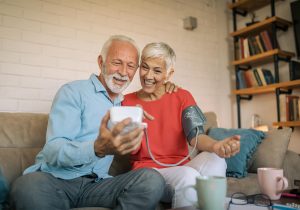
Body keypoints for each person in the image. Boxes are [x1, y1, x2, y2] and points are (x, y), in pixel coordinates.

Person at [9, 35, 167, 210]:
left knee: (151, 179)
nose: (123, 72)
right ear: (101, 62)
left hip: (97, 186)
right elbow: (53, 150)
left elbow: (153, 90)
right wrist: (97, 148)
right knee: (27, 187)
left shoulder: (125, 105)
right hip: (56, 180)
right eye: (117, 62)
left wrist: (165, 87)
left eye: (130, 66)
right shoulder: (73, 92)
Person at [122, 42, 241, 208]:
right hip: (148, 173)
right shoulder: (125, 102)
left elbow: (195, 137)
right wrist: (133, 120)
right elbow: (127, 147)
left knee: (216, 159)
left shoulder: (182, 96)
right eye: (144, 67)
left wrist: (216, 145)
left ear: (169, 74)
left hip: (181, 167)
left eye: (157, 71)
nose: (148, 76)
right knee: (188, 175)